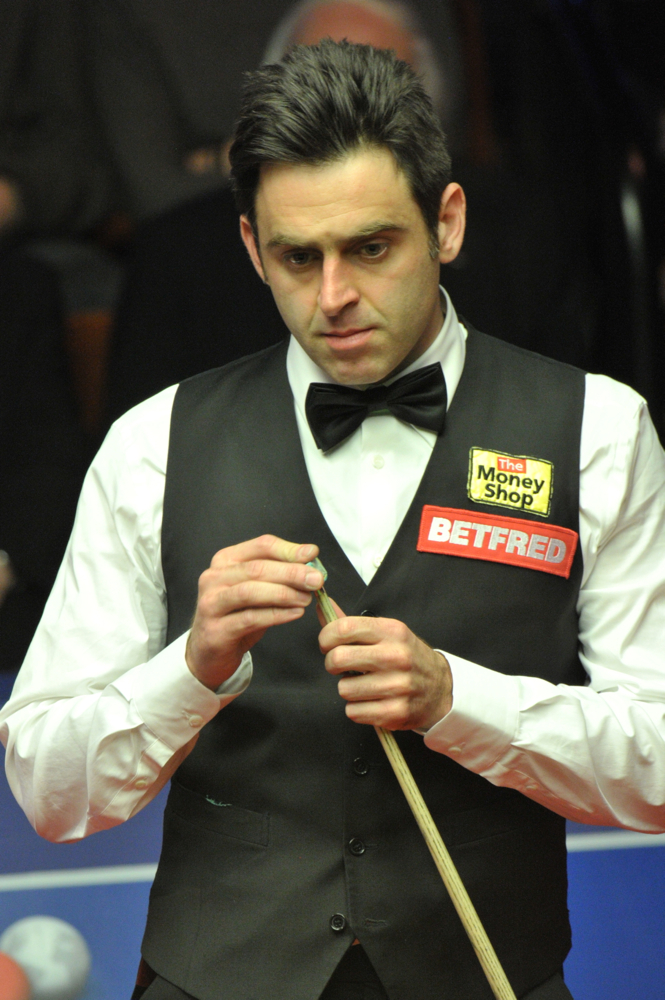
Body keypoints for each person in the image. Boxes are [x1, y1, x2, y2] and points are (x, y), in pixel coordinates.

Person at [2, 40, 665, 1000]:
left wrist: (456, 700)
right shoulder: (153, 445)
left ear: (446, 223)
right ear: (250, 248)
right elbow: (49, 794)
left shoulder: (598, 430)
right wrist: (191, 669)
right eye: (296, 258)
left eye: (371, 248)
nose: (334, 298)